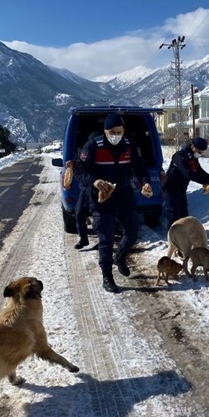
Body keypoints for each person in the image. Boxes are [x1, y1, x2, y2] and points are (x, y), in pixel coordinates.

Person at [73, 114, 153, 293]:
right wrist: (94, 181)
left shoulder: (130, 146)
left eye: (119, 132)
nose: (115, 135)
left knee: (132, 230)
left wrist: (145, 182)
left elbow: (140, 168)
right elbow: (79, 169)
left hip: (124, 194)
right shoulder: (93, 146)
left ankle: (121, 255)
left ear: (124, 131)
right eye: (112, 132)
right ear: (105, 131)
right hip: (102, 197)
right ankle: (107, 276)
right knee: (106, 237)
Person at [161, 137, 209, 230]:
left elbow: (198, 170)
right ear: (193, 147)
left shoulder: (192, 157)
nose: (200, 154)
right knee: (173, 214)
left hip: (181, 189)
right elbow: (188, 173)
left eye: (202, 152)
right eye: (199, 152)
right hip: (171, 188)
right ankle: (172, 238)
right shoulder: (180, 156)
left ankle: (184, 235)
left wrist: (208, 178)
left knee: (184, 215)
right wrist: (203, 181)